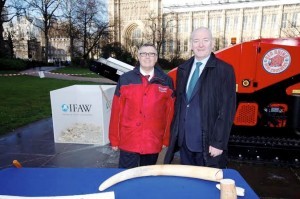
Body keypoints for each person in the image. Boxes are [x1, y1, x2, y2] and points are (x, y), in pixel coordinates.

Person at [164, 27, 236, 168]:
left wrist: (218, 143)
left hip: (208, 144)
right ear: (191, 44)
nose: (200, 45)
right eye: (196, 41)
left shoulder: (224, 70)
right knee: (189, 185)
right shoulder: (183, 69)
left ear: (212, 43)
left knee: (208, 186)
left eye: (205, 40)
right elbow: (181, 104)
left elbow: (227, 109)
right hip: (185, 142)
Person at [109, 43, 175, 168]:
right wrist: (114, 138)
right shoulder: (125, 79)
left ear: (156, 58)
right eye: (143, 53)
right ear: (138, 57)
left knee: (147, 178)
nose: (147, 57)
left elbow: (169, 114)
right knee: (125, 177)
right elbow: (117, 111)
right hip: (129, 139)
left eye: (151, 54)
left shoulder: (166, 81)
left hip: (153, 140)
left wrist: (166, 139)